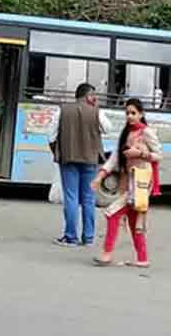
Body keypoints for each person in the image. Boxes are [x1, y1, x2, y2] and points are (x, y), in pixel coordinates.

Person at [91, 98, 162, 268]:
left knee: (112, 212)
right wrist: (100, 175)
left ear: (141, 114)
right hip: (129, 180)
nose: (130, 116)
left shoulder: (146, 132)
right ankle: (142, 258)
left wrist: (140, 154)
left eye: (133, 113)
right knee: (132, 219)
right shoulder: (126, 133)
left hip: (141, 182)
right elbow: (115, 158)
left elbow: (159, 155)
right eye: (127, 113)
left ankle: (106, 253)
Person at [48, 83, 112, 247]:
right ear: (89, 95)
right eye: (93, 95)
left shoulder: (62, 110)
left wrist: (58, 152)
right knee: (89, 199)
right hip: (90, 160)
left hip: (68, 159)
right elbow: (108, 129)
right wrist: (95, 109)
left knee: (71, 197)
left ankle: (71, 237)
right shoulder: (97, 111)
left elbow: (51, 136)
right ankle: (88, 238)